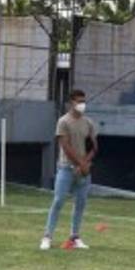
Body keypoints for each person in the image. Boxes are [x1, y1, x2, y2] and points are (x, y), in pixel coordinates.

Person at [40, 89, 98, 251]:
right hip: (66, 169)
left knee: (80, 203)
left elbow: (94, 147)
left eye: (83, 101)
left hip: (84, 171)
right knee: (58, 201)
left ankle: (75, 236)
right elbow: (65, 146)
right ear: (71, 102)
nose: (82, 104)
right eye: (79, 101)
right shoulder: (63, 121)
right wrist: (79, 165)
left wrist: (85, 164)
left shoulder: (89, 123)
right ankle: (47, 236)